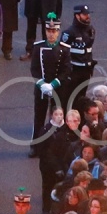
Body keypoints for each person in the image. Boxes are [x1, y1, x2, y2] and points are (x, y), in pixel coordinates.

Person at [30, 14, 70, 147]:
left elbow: (66, 70)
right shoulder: (38, 47)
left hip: (58, 88)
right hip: (41, 88)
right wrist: (42, 84)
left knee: (57, 117)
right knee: (39, 117)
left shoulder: (64, 49)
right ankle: (36, 145)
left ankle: (57, 145)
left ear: (58, 32)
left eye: (54, 31)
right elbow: (34, 69)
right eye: (49, 31)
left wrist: (53, 84)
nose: (51, 34)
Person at [61, 5, 96, 105]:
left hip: (86, 70)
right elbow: (62, 52)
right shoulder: (68, 33)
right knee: (68, 98)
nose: (88, 16)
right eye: (84, 14)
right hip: (74, 71)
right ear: (77, 16)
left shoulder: (91, 30)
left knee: (81, 99)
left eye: (88, 14)